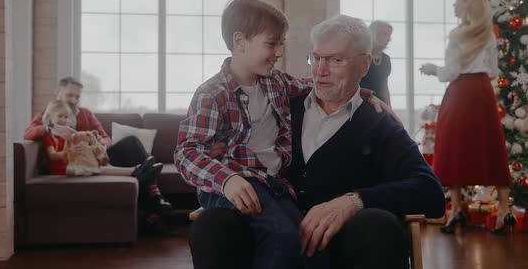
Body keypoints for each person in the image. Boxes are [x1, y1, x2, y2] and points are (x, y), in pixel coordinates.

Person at [188, 14, 445, 269]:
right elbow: (209, 143)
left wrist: (353, 202)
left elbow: (430, 193)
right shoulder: (280, 105)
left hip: (341, 244)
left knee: (378, 225)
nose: (320, 70)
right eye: (317, 58)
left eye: (335, 60)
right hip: (266, 234)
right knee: (211, 224)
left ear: (365, 65)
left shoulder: (379, 123)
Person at [24, 77, 175, 236]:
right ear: (58, 94)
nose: (73, 100)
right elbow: (28, 134)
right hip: (73, 161)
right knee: (144, 169)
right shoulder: (47, 115)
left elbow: (105, 137)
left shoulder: (86, 114)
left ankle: (153, 200)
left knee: (132, 142)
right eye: (69, 95)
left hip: (96, 156)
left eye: (77, 97)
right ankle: (154, 205)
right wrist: (51, 128)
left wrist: (101, 144)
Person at [420, 0, 514, 235]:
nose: (453, 6)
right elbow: (493, 71)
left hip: (460, 94)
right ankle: (505, 211)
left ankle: (456, 210)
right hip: (482, 93)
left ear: (467, 4)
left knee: (453, 148)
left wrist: (432, 69)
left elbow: (450, 73)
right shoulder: (489, 35)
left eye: (456, 2)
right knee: (491, 148)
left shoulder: (457, 34)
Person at [360, 20, 393, 104]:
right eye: (385, 34)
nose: (389, 39)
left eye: (389, 35)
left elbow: (384, 88)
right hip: (360, 102)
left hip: (379, 104)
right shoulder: (360, 56)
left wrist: (389, 110)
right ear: (374, 34)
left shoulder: (386, 59)